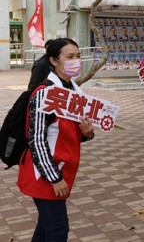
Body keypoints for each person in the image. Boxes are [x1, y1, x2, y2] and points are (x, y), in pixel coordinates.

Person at [17, 38, 95, 241]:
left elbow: (69, 133)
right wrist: (54, 178)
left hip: (62, 169)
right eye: (69, 57)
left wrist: (87, 133)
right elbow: (36, 140)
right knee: (58, 231)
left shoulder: (73, 91)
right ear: (53, 60)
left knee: (45, 228)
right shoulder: (45, 94)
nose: (76, 61)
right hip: (44, 173)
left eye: (78, 56)